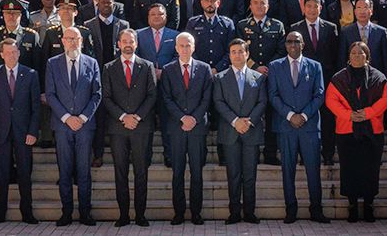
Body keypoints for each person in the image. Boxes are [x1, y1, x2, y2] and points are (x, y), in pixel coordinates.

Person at [266, 32, 328, 223]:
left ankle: (316, 209)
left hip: (309, 126)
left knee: (313, 169)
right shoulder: (275, 66)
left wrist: (304, 115)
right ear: (285, 45)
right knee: (288, 169)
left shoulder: (315, 66)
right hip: (286, 126)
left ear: (303, 44)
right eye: (289, 41)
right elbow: (273, 95)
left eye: (296, 41)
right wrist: (290, 115)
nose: (293, 44)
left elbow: (319, 94)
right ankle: (291, 209)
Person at [323, 42, 387, 222]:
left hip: (372, 131)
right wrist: (349, 115)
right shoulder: (339, 78)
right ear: (348, 57)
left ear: (367, 57)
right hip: (346, 130)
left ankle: (368, 205)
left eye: (360, 53)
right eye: (353, 53)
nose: (356, 56)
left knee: (371, 169)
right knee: (349, 168)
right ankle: (352, 205)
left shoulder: (379, 77)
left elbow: (386, 99)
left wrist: (368, 113)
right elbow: (331, 100)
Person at [45, 26, 102, 226]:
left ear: (81, 41)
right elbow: (50, 94)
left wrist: (83, 118)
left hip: (85, 126)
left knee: (84, 171)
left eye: (76, 39)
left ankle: (85, 212)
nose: (72, 42)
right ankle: (66, 212)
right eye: (69, 38)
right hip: (62, 126)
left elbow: (97, 94)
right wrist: (67, 117)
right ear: (63, 41)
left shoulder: (92, 63)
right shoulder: (52, 63)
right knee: (65, 171)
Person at [101, 29, 158, 227]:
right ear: (118, 44)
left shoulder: (147, 66)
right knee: (120, 172)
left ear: (136, 44)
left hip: (141, 127)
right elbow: (106, 97)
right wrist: (123, 117)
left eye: (131, 41)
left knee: (141, 172)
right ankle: (123, 215)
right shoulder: (109, 67)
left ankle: (140, 215)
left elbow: (152, 95)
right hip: (118, 128)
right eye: (124, 41)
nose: (127, 44)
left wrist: (137, 117)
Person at [0, 38, 42, 225]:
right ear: (1, 54)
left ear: (19, 53)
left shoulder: (31, 74)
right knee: (1, 174)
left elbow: (36, 107)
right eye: (8, 52)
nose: (11, 55)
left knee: (25, 173)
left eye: (14, 52)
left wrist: (33, 131)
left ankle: (27, 212)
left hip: (24, 132)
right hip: (1, 131)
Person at [159, 32, 213, 225]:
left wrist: (194, 118)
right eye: (181, 45)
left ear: (194, 47)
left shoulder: (204, 69)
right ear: (176, 48)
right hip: (177, 128)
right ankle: (179, 213)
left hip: (197, 128)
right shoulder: (168, 70)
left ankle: (196, 212)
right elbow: (166, 98)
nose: (184, 48)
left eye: (188, 45)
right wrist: (182, 118)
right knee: (178, 173)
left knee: (197, 172)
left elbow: (207, 97)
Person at [213, 38, 266, 224]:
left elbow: (262, 102)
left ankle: (249, 212)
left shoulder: (258, 78)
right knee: (233, 175)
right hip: (230, 132)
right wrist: (235, 121)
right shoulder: (220, 78)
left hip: (251, 132)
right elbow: (218, 102)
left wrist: (248, 122)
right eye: (233, 52)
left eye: (240, 51)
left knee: (250, 175)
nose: (237, 55)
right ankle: (234, 212)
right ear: (229, 55)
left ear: (247, 54)